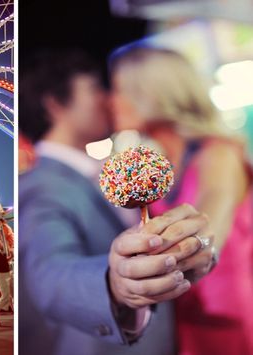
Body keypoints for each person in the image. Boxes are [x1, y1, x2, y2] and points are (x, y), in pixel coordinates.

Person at [19, 50, 215, 354]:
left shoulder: (103, 170)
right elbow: (49, 275)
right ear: (55, 104)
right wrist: (114, 283)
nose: (108, 99)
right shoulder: (39, 188)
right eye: (95, 89)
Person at [109, 45, 253, 355]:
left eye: (120, 89)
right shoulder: (160, 162)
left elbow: (214, 214)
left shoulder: (218, 153)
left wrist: (197, 242)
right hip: (182, 311)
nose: (111, 100)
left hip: (225, 317)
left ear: (153, 93)